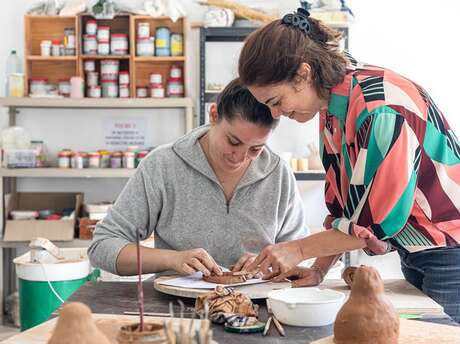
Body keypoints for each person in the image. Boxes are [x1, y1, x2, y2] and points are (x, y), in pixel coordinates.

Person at [238, 8, 460, 322]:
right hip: (420, 250)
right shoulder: (333, 106)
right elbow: (349, 213)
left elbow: (373, 222)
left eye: (276, 101)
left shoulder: (380, 108)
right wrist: (317, 270)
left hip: (452, 250)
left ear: (303, 74)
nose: (275, 114)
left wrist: (296, 250)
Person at [88, 78, 308, 278]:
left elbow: (300, 257)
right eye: (233, 142)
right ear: (213, 115)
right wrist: (172, 259)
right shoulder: (163, 164)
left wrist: (270, 263)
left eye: (256, 149)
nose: (240, 158)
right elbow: (102, 247)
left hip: (255, 310)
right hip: (176, 310)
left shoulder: (278, 173)